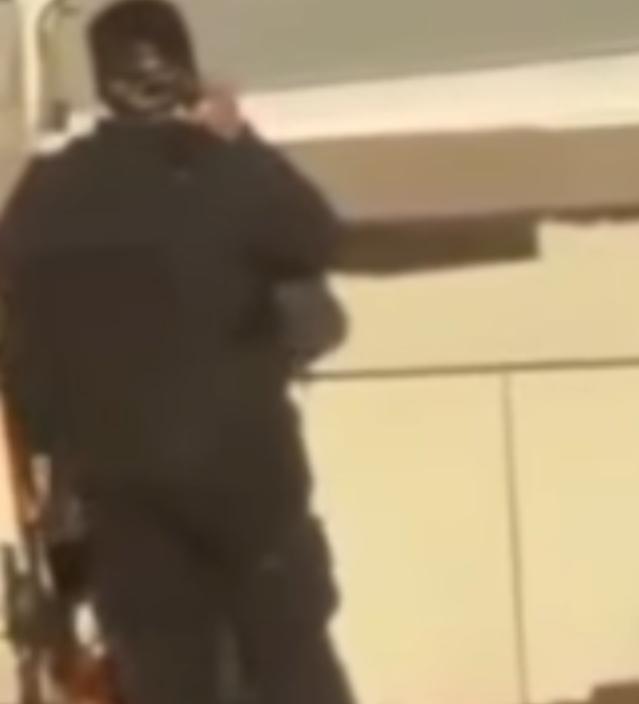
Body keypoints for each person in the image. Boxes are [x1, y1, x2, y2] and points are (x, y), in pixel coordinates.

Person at [0, 2, 354, 703]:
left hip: (123, 497)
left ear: (103, 84)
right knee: (292, 666)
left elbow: (20, 355)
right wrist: (239, 139)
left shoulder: (45, 196)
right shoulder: (220, 172)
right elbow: (317, 237)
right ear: (185, 74)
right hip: (249, 483)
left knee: (167, 676)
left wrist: (59, 448)